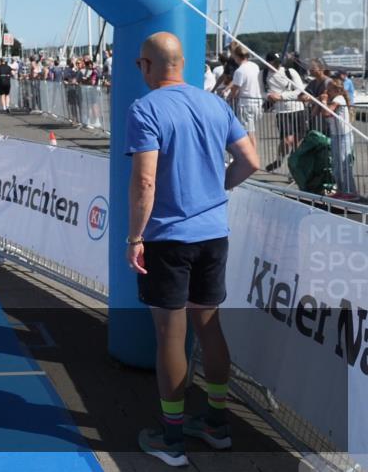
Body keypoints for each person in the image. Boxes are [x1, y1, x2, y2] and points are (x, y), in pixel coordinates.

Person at [126, 32, 259, 467]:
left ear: (147, 66)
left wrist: (134, 237)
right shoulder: (215, 104)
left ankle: (172, 438)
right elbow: (250, 162)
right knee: (209, 326)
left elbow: (145, 181)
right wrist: (213, 190)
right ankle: (218, 425)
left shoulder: (145, 108)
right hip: (212, 233)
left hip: (168, 237)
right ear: (181, 64)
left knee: (171, 335)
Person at [262, 53, 308, 172]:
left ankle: (294, 170)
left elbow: (300, 89)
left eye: (278, 62)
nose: (278, 64)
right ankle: (279, 159)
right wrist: (269, 96)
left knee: (297, 142)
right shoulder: (263, 74)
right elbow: (262, 91)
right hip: (282, 111)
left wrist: (281, 96)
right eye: (274, 62)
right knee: (287, 140)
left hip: (298, 108)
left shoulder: (290, 71)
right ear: (268, 63)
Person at [321, 77, 358, 199]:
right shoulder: (335, 99)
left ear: (336, 90)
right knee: (337, 165)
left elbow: (327, 113)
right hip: (336, 135)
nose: (327, 91)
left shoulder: (338, 98)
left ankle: (351, 192)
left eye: (329, 89)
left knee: (344, 165)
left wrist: (324, 101)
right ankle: (341, 190)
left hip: (344, 136)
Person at [227, 43, 261, 150]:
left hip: (245, 104)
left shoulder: (240, 71)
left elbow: (235, 89)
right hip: (258, 102)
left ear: (236, 56)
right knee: (252, 132)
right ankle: (252, 157)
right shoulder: (255, 66)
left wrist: (228, 99)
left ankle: (252, 158)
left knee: (248, 133)